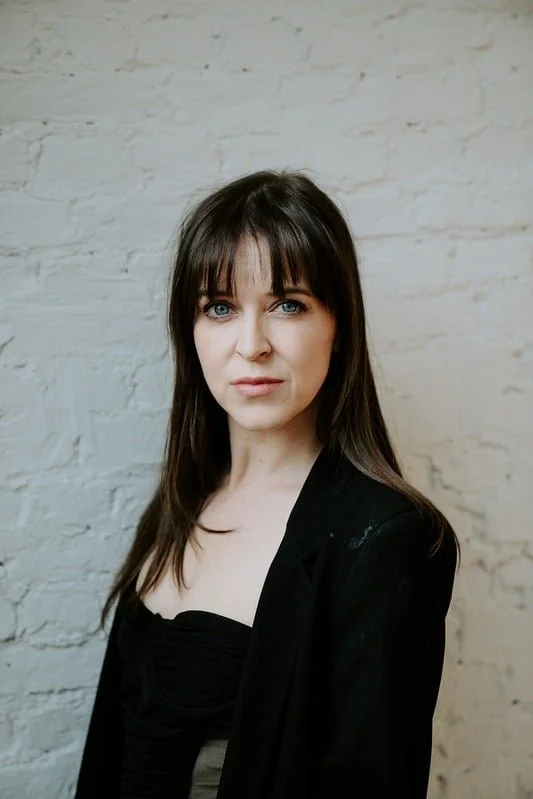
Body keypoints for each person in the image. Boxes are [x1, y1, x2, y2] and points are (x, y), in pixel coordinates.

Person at [74, 169, 460, 799]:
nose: (250, 345)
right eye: (220, 307)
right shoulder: (183, 501)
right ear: (190, 330)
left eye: (288, 304)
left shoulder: (384, 539)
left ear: (338, 328)